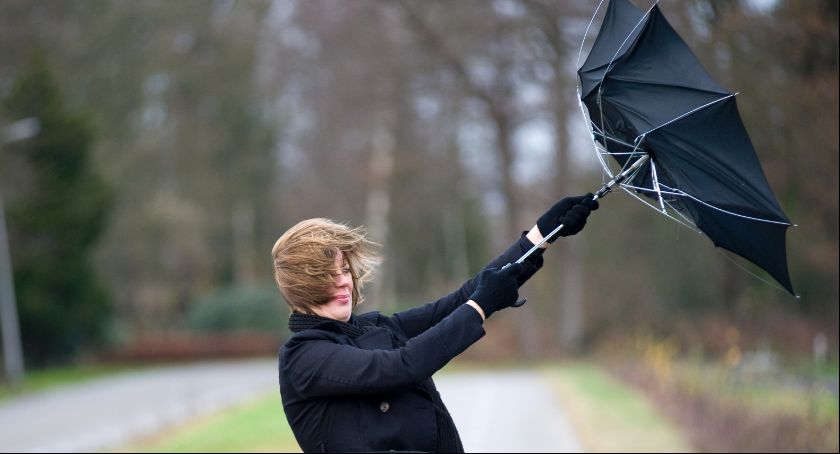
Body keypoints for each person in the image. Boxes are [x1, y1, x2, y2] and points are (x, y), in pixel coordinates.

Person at [272, 194, 599, 453]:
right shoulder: (303, 358)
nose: (343, 282)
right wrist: (480, 305)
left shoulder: (373, 328)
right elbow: (401, 367)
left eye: (344, 270)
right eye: (327, 276)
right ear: (301, 286)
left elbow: (460, 300)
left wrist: (541, 236)